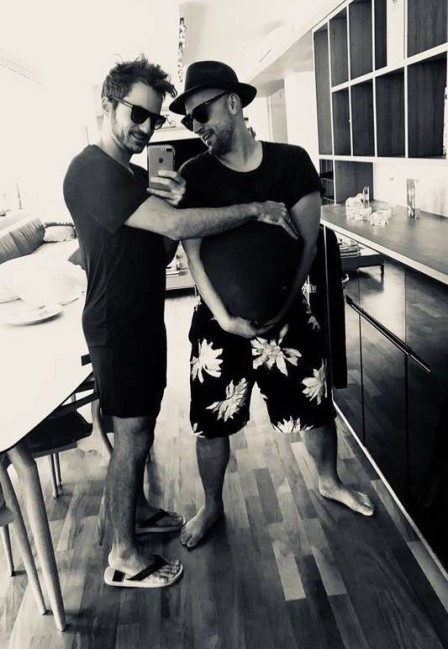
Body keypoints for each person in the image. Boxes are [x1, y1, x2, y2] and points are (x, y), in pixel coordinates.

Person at [63, 56, 296, 589]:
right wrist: (255, 209)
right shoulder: (90, 169)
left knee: (140, 428)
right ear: (108, 104)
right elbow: (172, 226)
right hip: (117, 324)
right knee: (132, 435)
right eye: (137, 114)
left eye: (154, 119)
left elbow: (160, 247)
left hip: (143, 318)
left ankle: (138, 512)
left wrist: (172, 207)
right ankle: (123, 556)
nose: (145, 128)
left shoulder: (131, 174)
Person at [169, 60, 375, 550]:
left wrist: (285, 308)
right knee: (210, 422)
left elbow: (308, 243)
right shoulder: (193, 174)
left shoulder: (290, 162)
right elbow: (192, 250)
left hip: (288, 317)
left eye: (201, 113)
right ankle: (212, 504)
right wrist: (223, 317)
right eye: (189, 119)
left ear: (233, 103)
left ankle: (329, 480)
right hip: (218, 322)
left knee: (316, 406)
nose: (196, 126)